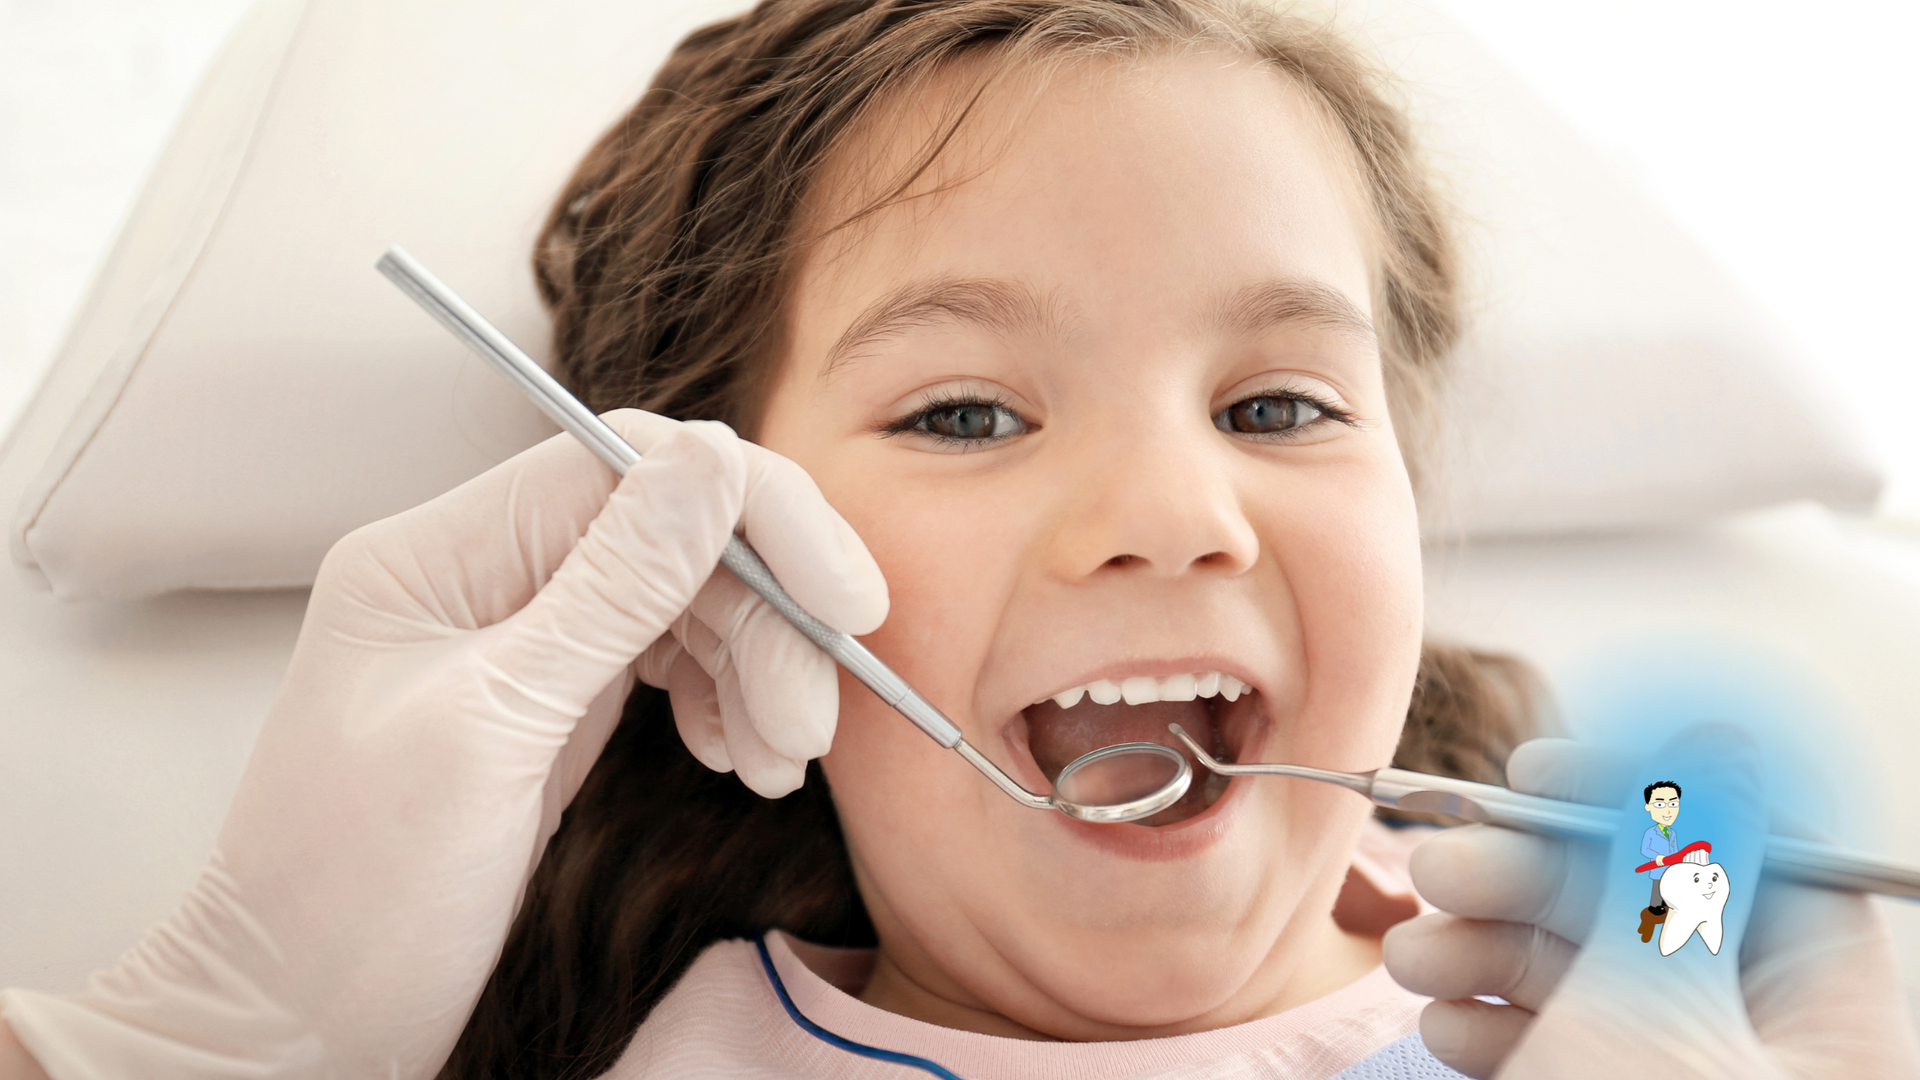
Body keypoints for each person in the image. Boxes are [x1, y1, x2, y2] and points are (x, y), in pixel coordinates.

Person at [2, 1, 1916, 1078]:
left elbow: (1716, 878)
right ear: (721, 576)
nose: (1176, 514)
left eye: (1277, 408)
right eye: (967, 413)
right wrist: (194, 1054)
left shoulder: (1669, 938)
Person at [1640, 781, 1683, 924]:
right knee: (1657, 889)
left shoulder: (1673, 833)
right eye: (1659, 805)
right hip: (1658, 868)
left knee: (1669, 888)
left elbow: (1675, 849)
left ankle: (1668, 905)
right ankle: (1655, 908)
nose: (1668, 811)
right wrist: (1656, 856)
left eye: (1673, 804)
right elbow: (1644, 849)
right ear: (1648, 807)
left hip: (1671, 868)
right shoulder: (1650, 833)